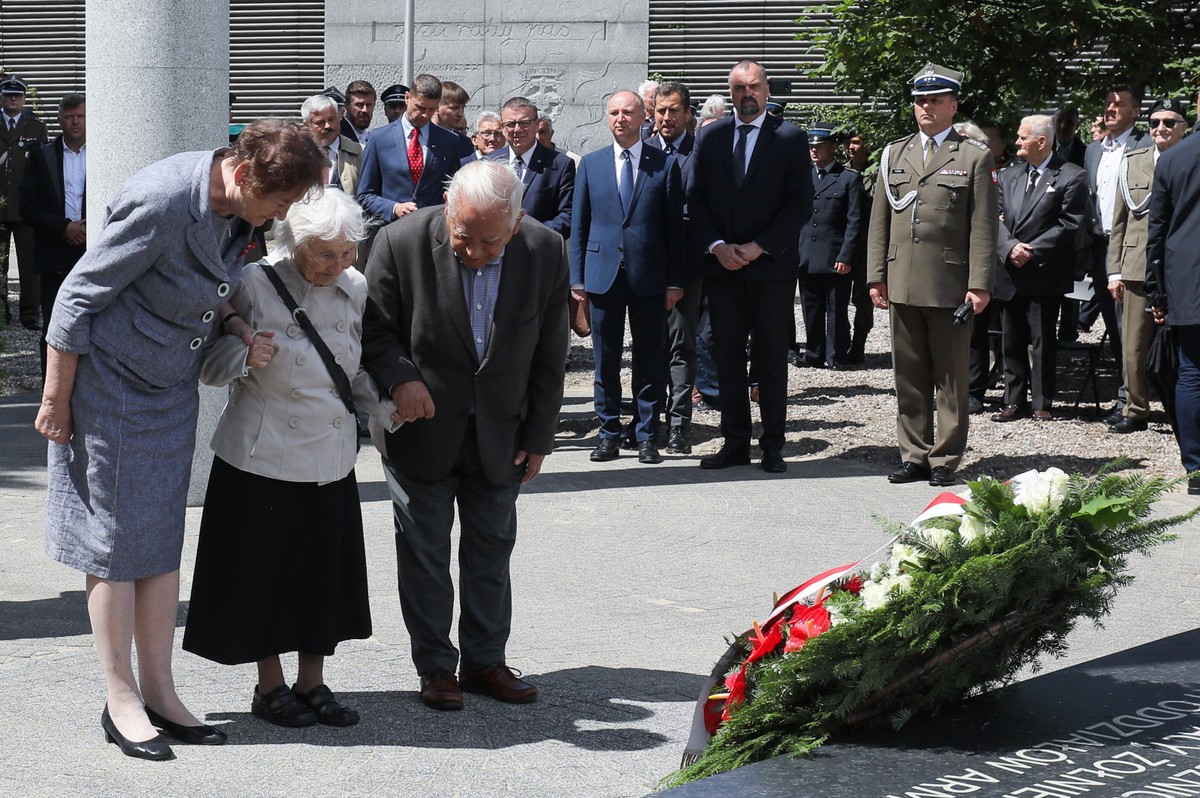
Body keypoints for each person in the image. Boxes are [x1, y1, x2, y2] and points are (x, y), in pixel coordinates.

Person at [34, 119, 325, 760]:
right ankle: (121, 699)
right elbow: (78, 295)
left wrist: (236, 324)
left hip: (168, 386)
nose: (284, 214)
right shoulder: (163, 198)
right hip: (109, 385)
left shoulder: (234, 208)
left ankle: (161, 692)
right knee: (113, 545)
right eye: (281, 200)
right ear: (245, 174)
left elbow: (198, 284)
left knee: (161, 540)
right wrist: (56, 399)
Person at [183, 189, 394, 729]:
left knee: (320, 573)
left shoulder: (354, 285)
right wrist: (244, 353)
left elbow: (347, 374)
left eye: (347, 252)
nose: (338, 264)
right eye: (326, 253)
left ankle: (312, 681)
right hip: (262, 456)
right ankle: (270, 685)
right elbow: (208, 367)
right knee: (265, 575)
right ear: (293, 243)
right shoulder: (255, 282)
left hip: (330, 457)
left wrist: (389, 405)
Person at [361, 159, 568, 711]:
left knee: (491, 550)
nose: (475, 252)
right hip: (421, 430)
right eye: (463, 238)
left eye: (490, 242)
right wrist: (400, 378)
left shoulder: (546, 250)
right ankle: (435, 667)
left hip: (502, 430)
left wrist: (541, 434)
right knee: (424, 552)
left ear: (518, 222)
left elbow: (551, 353)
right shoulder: (398, 241)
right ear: (448, 211)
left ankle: (484, 662)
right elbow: (373, 330)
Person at [866, 62, 997, 487]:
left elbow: (983, 227)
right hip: (901, 278)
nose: (925, 107)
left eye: (934, 100)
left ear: (952, 106)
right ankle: (914, 454)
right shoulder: (894, 153)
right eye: (920, 100)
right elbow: (880, 221)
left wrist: (979, 284)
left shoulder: (973, 155)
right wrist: (875, 275)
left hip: (949, 283)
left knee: (951, 377)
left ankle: (945, 459)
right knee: (909, 374)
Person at [686, 60, 812, 474]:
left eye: (753, 86)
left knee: (771, 357)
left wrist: (760, 247)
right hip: (723, 269)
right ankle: (735, 441)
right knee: (725, 357)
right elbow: (696, 199)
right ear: (730, 92)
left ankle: (773, 444)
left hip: (771, 268)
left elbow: (799, 203)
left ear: (767, 89)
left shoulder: (790, 138)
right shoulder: (712, 136)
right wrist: (718, 246)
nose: (747, 94)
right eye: (739, 88)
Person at [572, 90, 685, 465]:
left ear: (644, 116)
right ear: (608, 118)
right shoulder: (591, 164)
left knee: (649, 359)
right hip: (602, 276)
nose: (620, 118)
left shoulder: (664, 165)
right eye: (614, 112)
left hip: (649, 277)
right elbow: (580, 227)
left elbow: (674, 231)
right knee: (605, 360)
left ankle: (647, 434)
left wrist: (674, 281)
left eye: (628, 112)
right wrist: (577, 280)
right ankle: (608, 434)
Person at [991, 114, 1087, 423]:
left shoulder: (1071, 175)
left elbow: (1068, 224)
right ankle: (1012, 400)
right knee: (1010, 338)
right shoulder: (1008, 176)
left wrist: (1030, 251)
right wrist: (1009, 247)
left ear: (1041, 141)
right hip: (1011, 270)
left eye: (1022, 137)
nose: (1016, 142)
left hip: (1043, 270)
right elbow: (995, 218)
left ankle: (1042, 402)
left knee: (1043, 339)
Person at [1108, 97, 1189, 433]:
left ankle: (1184, 410)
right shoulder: (1134, 161)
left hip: (1183, 265)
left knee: (1186, 343)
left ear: (1184, 128)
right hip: (1138, 262)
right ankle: (1136, 408)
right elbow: (1120, 218)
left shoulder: (1190, 159)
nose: (1160, 129)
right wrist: (1114, 269)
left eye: (1169, 123)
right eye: (1154, 123)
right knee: (1134, 345)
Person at [1082, 85, 1151, 420]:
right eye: (1107, 103)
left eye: (1119, 104)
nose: (1111, 109)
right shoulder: (1094, 151)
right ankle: (1126, 391)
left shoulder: (1145, 146)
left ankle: (1130, 397)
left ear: (1135, 112)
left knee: (1131, 326)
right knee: (1111, 320)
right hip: (1100, 244)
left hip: (1131, 246)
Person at [645, 80, 700, 454]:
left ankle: (679, 425)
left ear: (687, 114)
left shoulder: (703, 153)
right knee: (649, 346)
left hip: (687, 265)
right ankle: (647, 421)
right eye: (661, 111)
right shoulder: (642, 151)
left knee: (681, 344)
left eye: (673, 111)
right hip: (646, 264)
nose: (666, 118)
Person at [1147, 104, 1200, 491]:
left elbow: (1158, 232)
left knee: (1192, 372)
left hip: (1187, 277)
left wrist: (1157, 290)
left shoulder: (1173, 158)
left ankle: (1197, 470)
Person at [19, 93, 86, 378]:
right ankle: (52, 389)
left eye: (80, 116)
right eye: (69, 117)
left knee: (93, 323)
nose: (75, 122)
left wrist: (88, 227)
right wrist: (64, 227)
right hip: (54, 251)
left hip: (92, 249)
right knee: (54, 325)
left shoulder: (107, 154)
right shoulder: (41, 156)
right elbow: (27, 205)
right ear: (59, 120)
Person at [797, 122, 864, 370]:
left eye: (820, 146)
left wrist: (846, 255)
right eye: (811, 146)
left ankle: (836, 354)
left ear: (833, 147)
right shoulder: (802, 176)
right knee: (811, 307)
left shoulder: (848, 179)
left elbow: (854, 221)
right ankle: (814, 353)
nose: (814, 151)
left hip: (835, 254)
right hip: (807, 254)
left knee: (836, 309)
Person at [357, 73, 464, 223]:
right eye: (420, 107)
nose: (425, 115)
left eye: (431, 109)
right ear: (407, 97)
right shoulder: (379, 139)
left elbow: (454, 192)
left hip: (433, 231)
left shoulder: (449, 141)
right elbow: (364, 196)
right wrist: (394, 208)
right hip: (392, 232)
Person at [487, 96, 575, 238]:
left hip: (538, 251)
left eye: (524, 123)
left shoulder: (560, 165)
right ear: (502, 127)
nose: (517, 129)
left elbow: (569, 215)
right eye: (510, 124)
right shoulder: (489, 163)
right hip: (493, 251)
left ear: (536, 125)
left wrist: (530, 234)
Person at [1, 75, 49, 329]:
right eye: (8, 95)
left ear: (24, 98)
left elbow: (43, 168)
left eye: (17, 96)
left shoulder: (36, 127)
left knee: (30, 265)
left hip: (26, 208)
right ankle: (1, 314)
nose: (13, 100)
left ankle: (30, 314)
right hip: (0, 205)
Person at [844, 131, 875, 364]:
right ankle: (839, 343)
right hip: (845, 241)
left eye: (856, 142)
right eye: (848, 143)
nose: (851, 147)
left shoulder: (875, 173)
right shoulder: (842, 170)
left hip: (868, 242)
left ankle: (859, 343)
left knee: (863, 296)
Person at [301, 93, 362, 194]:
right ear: (307, 125)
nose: (328, 126)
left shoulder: (360, 152)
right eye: (320, 122)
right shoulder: (296, 154)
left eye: (332, 119)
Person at [341, 80, 376, 144]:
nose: (365, 110)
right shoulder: (338, 137)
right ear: (346, 105)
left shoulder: (371, 138)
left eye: (369, 105)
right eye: (359, 105)